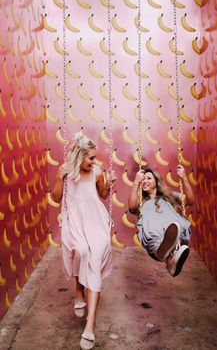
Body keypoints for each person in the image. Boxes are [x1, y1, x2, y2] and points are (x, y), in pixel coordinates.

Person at [51, 132, 116, 350]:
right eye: (90, 158)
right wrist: (59, 178)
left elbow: (104, 195)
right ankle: (79, 291)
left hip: (95, 220)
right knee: (80, 251)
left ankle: (90, 325)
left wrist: (110, 185)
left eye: (95, 157)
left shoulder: (98, 172)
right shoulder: (67, 173)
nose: (94, 161)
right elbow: (56, 197)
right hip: (75, 221)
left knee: (95, 256)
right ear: (80, 156)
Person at [128, 165, 195, 277]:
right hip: (155, 235)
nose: (145, 181)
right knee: (154, 227)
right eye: (143, 179)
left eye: (149, 178)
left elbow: (190, 201)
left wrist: (184, 178)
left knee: (175, 224)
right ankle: (165, 253)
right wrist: (136, 182)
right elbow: (131, 208)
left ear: (157, 181)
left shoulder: (169, 196)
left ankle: (171, 259)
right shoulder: (141, 200)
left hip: (173, 230)